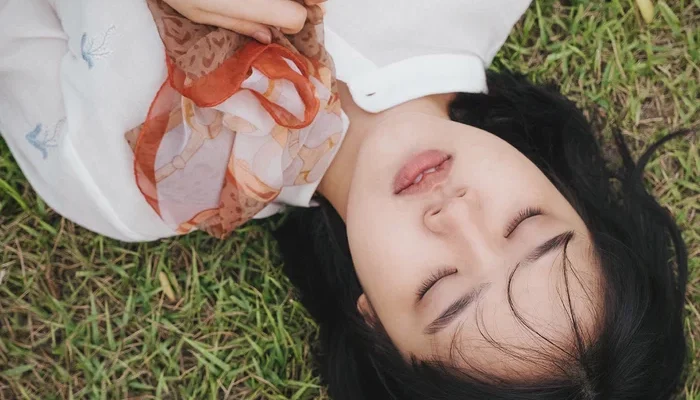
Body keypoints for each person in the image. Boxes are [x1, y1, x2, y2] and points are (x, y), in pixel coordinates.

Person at [0, 1, 689, 399]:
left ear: (373, 323)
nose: (454, 213)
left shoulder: (133, 181)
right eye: (527, 223)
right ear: (566, 194)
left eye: (441, 291)